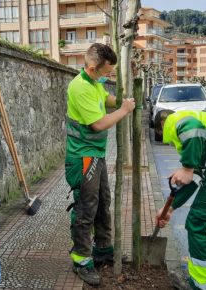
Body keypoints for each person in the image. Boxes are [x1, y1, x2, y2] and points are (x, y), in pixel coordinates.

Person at [65, 43, 135, 285]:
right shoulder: (80, 87)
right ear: (93, 68)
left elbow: (107, 99)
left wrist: (122, 101)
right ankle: (81, 260)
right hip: (83, 157)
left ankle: (103, 248)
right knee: (86, 208)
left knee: (103, 201)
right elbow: (98, 124)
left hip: (96, 154)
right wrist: (125, 110)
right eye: (106, 72)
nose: (108, 76)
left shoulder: (95, 83)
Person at [156, 110, 206, 290]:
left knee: (200, 223)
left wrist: (186, 167)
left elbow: (192, 129)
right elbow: (197, 176)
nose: (174, 145)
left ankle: (201, 285)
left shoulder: (172, 120)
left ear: (162, 125)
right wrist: (170, 209)